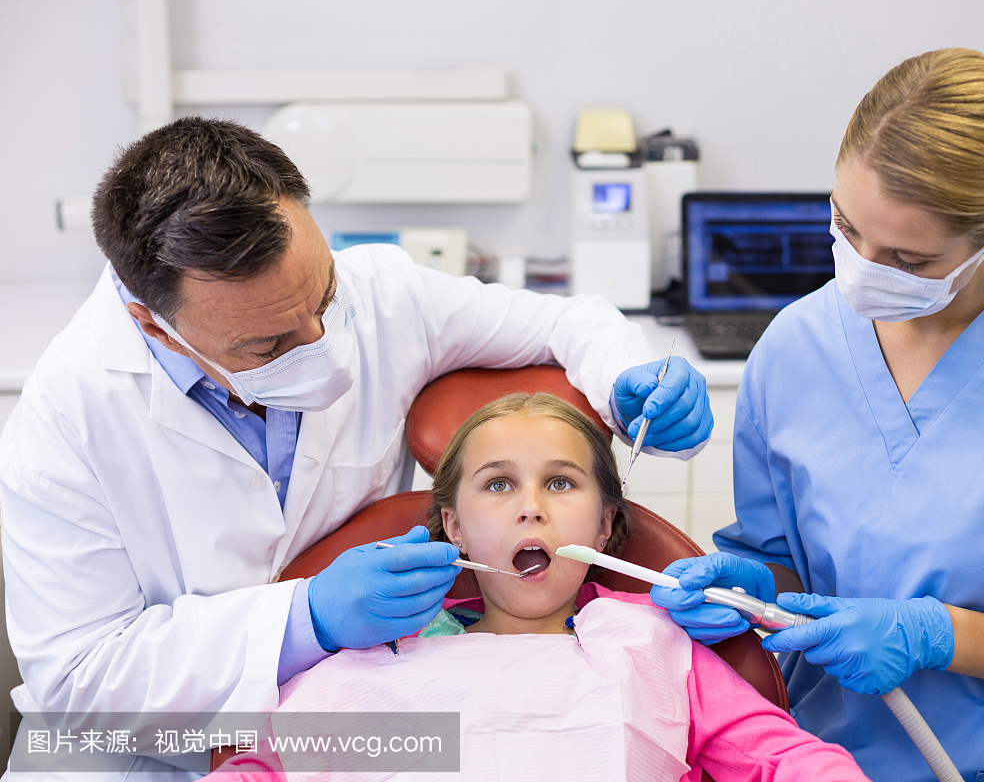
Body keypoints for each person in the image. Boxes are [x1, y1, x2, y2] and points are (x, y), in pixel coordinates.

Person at [0, 117, 713, 780]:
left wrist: (626, 381)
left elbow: (566, 321)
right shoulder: (66, 418)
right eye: (268, 344)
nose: (323, 348)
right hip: (146, 748)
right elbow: (77, 684)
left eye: (323, 298)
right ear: (153, 326)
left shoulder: (382, 295)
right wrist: (304, 619)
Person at [651, 48, 984, 781]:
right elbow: (783, 565)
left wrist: (938, 635)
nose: (865, 270)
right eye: (846, 229)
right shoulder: (796, 347)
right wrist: (745, 589)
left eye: (909, 261)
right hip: (815, 758)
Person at [209, 393, 871, 782]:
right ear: (454, 528)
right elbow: (256, 765)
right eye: (498, 484)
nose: (531, 508)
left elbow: (786, 762)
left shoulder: (655, 643)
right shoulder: (372, 649)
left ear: (604, 522)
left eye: (560, 483)